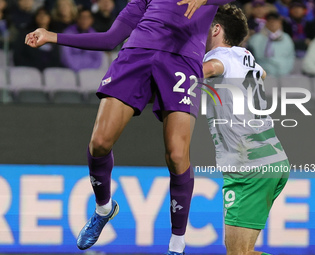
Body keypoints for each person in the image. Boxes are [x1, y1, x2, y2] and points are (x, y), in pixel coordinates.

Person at [25, 0, 233, 253]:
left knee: (177, 155)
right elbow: (111, 38)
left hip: (182, 61)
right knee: (99, 143)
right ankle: (104, 208)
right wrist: (51, 36)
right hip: (136, 54)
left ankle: (177, 244)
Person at [203, 4, 289, 254]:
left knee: (237, 253)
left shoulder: (215, 58)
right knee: (243, 252)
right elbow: (261, 74)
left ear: (216, 29)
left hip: (249, 168)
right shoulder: (245, 55)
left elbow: (208, 70)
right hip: (272, 159)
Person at [247, 11, 295, 76]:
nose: (273, 23)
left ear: (280, 23)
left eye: (275, 21)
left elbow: (291, 57)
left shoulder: (287, 38)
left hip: (284, 75)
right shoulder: (255, 39)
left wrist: (285, 71)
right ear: (266, 22)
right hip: (263, 75)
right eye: (270, 21)